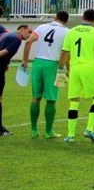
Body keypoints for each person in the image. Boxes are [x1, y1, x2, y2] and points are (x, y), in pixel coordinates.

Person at [59, 9, 94, 143]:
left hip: (74, 68)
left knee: (74, 101)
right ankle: (89, 129)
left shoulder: (72, 31)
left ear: (83, 17)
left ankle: (70, 135)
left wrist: (60, 69)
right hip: (89, 67)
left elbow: (64, 53)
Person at [21, 11, 70, 139]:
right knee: (51, 99)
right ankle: (48, 132)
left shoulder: (42, 27)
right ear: (66, 21)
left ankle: (33, 130)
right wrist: (67, 68)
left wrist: (25, 60)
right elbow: (66, 53)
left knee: (35, 98)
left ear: (55, 17)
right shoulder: (67, 32)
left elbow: (27, 42)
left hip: (38, 63)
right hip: (52, 65)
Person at [0, 25, 34, 135]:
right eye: (29, 31)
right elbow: (4, 52)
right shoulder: (17, 39)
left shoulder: (6, 33)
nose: (30, 34)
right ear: (22, 29)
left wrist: (6, 63)